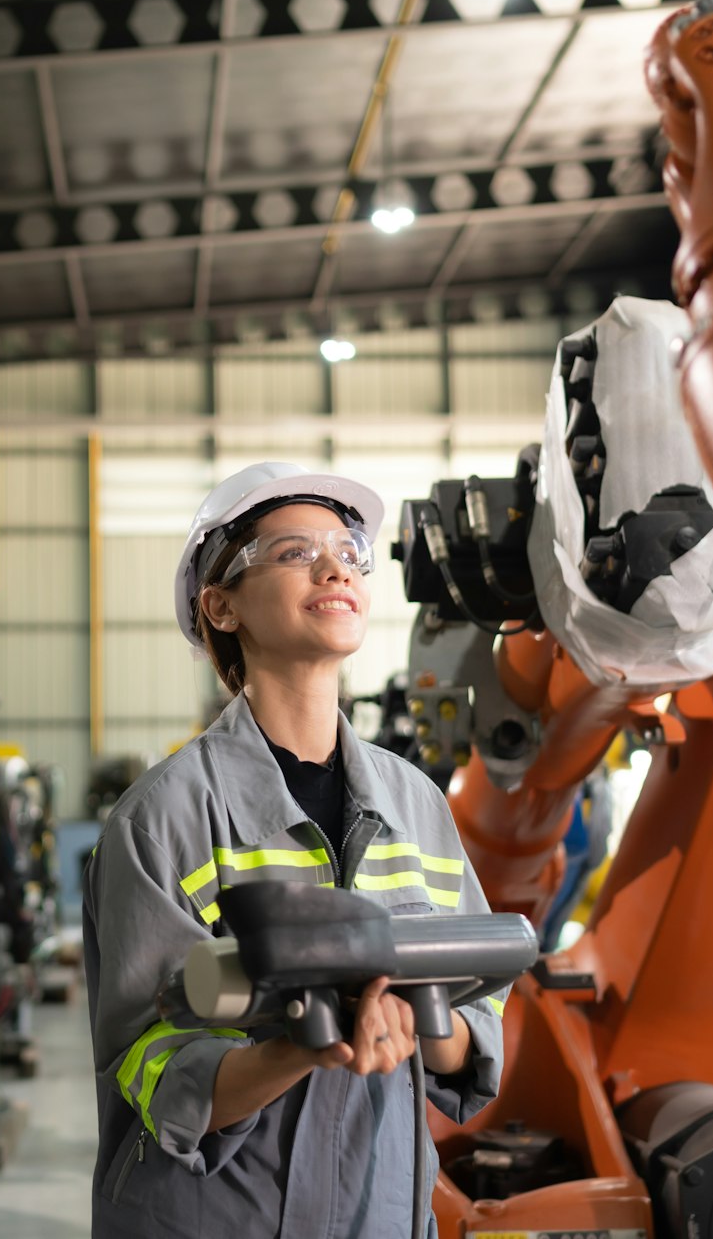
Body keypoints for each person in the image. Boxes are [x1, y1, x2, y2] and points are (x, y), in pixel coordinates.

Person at [83, 462, 506, 1238]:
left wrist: (423, 1020)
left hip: (378, 1213)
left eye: (347, 549)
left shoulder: (416, 804)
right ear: (222, 605)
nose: (335, 565)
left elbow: (476, 1028)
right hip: (214, 1217)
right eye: (293, 552)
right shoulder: (165, 818)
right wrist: (316, 1045)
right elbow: (153, 1067)